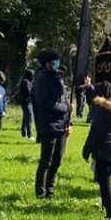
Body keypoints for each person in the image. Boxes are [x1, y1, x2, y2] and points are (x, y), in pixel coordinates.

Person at [82, 81, 111, 219]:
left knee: (104, 182)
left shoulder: (101, 111)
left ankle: (109, 212)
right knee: (105, 179)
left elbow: (95, 133)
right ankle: (106, 207)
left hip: (103, 150)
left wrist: (86, 150)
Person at [34, 51, 72, 199]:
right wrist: (65, 108)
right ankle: (40, 192)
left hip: (62, 126)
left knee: (57, 160)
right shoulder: (41, 79)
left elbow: (65, 99)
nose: (57, 64)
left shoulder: (58, 78)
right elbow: (45, 103)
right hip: (49, 125)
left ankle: (50, 190)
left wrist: (70, 122)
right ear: (47, 63)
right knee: (46, 161)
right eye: (54, 62)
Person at [19, 70, 35, 140]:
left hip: (27, 102)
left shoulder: (26, 81)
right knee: (29, 117)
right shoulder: (26, 82)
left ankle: (23, 133)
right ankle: (29, 135)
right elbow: (29, 92)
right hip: (26, 102)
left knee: (26, 117)